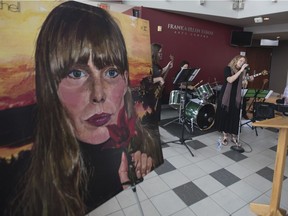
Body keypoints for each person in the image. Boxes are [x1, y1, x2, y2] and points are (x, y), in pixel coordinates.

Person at [0, 2, 163, 215]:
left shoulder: (144, 148)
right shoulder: (18, 185)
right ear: (50, 86)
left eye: (111, 73)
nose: (98, 94)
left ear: (125, 81)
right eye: (77, 74)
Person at [215, 55, 253, 146]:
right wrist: (241, 71)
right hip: (226, 96)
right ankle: (225, 136)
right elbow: (230, 80)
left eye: (243, 62)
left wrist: (248, 80)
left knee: (235, 115)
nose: (242, 63)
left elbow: (244, 83)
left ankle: (234, 136)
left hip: (236, 96)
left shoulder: (243, 72)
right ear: (235, 61)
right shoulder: (227, 69)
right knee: (226, 114)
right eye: (240, 61)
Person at [150, 43, 173, 122]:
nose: (161, 54)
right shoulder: (149, 64)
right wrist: (159, 79)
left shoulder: (156, 64)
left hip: (157, 93)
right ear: (154, 52)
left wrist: (167, 66)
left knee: (156, 116)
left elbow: (159, 72)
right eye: (160, 52)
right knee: (151, 117)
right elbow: (146, 80)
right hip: (151, 95)